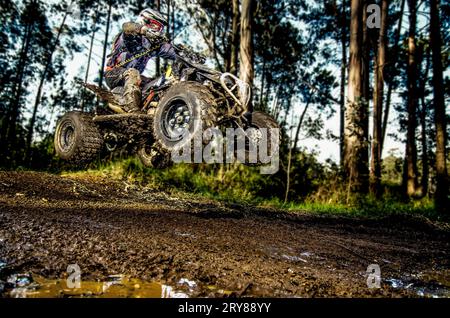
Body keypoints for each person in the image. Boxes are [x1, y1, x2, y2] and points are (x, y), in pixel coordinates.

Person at [104, 8, 176, 113]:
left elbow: (171, 51)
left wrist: (187, 54)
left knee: (157, 84)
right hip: (113, 74)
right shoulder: (129, 37)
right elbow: (127, 27)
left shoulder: (153, 44)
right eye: (155, 25)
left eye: (160, 28)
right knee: (133, 72)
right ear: (145, 21)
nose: (158, 30)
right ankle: (132, 110)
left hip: (134, 79)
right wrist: (144, 30)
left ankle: (152, 109)